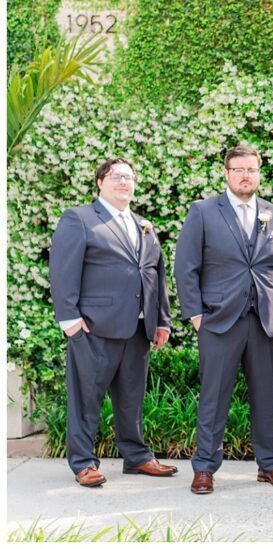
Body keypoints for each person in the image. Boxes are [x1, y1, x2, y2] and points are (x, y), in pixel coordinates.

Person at [174, 144, 273, 494]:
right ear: (226, 174)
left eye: (252, 170)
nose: (246, 176)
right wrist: (196, 315)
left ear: (259, 173)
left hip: (265, 320)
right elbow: (186, 267)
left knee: (266, 395)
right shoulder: (203, 211)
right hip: (218, 319)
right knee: (213, 395)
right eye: (239, 170)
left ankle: (270, 464)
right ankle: (205, 468)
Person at [50, 157, 178, 487]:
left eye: (129, 177)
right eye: (116, 176)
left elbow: (155, 275)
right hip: (94, 327)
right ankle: (83, 463)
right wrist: (70, 321)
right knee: (86, 398)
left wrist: (161, 320)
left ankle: (136, 457)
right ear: (100, 182)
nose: (124, 182)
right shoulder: (79, 219)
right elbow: (63, 271)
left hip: (138, 329)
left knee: (132, 398)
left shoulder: (143, 225)